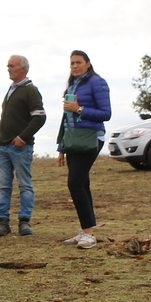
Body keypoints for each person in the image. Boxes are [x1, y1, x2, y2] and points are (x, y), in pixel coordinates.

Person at [56, 50, 112, 249]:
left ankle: (89, 234)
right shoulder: (73, 84)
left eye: (78, 62)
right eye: (72, 63)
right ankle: (86, 230)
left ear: (88, 64)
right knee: (82, 184)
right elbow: (66, 119)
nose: (75, 66)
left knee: (75, 183)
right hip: (73, 141)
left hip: (90, 138)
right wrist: (61, 146)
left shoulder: (97, 83)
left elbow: (106, 114)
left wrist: (79, 109)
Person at [0, 55, 47, 237]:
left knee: (24, 185)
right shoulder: (12, 89)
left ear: (23, 69)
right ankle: (2, 223)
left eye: (11, 66)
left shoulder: (30, 90)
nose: (8, 69)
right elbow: (15, 115)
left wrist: (23, 137)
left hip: (20, 147)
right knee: (3, 186)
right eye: (8, 66)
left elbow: (40, 116)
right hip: (3, 146)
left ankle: (24, 222)